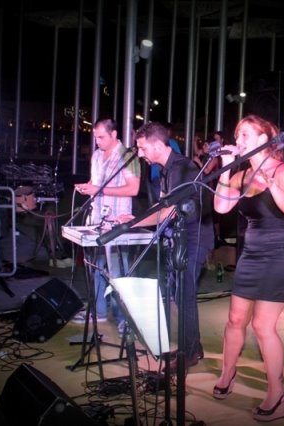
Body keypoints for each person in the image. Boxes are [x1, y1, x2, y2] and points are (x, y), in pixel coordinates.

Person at [212, 115, 284, 422]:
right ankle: (228, 373)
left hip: (279, 254)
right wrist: (226, 169)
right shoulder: (241, 175)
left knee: (263, 326)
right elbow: (221, 207)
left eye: (245, 134)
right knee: (235, 319)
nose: (239, 140)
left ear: (264, 139)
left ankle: (278, 393)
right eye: (238, 135)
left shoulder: (282, 170)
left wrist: (269, 181)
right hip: (251, 254)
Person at [120, 121, 214, 373]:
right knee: (179, 293)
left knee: (184, 294)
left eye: (142, 148)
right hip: (182, 237)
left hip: (196, 237)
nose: (140, 154)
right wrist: (137, 218)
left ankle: (189, 353)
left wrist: (133, 223)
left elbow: (169, 212)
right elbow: (161, 206)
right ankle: (192, 346)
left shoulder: (182, 168)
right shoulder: (166, 170)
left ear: (158, 145)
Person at [73, 118, 141, 335]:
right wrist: (89, 188)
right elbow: (96, 185)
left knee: (118, 273)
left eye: (101, 137)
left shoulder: (127, 156)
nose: (98, 141)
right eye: (95, 137)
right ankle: (99, 312)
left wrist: (99, 189)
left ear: (114, 135)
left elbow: (133, 189)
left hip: (117, 224)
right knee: (96, 268)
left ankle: (124, 320)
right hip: (97, 221)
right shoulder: (96, 155)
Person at [148, 122, 181, 205]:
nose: (170, 133)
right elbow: (179, 159)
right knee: (168, 203)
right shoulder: (172, 143)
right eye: (170, 131)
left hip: (156, 177)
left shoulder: (153, 142)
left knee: (157, 203)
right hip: (167, 177)